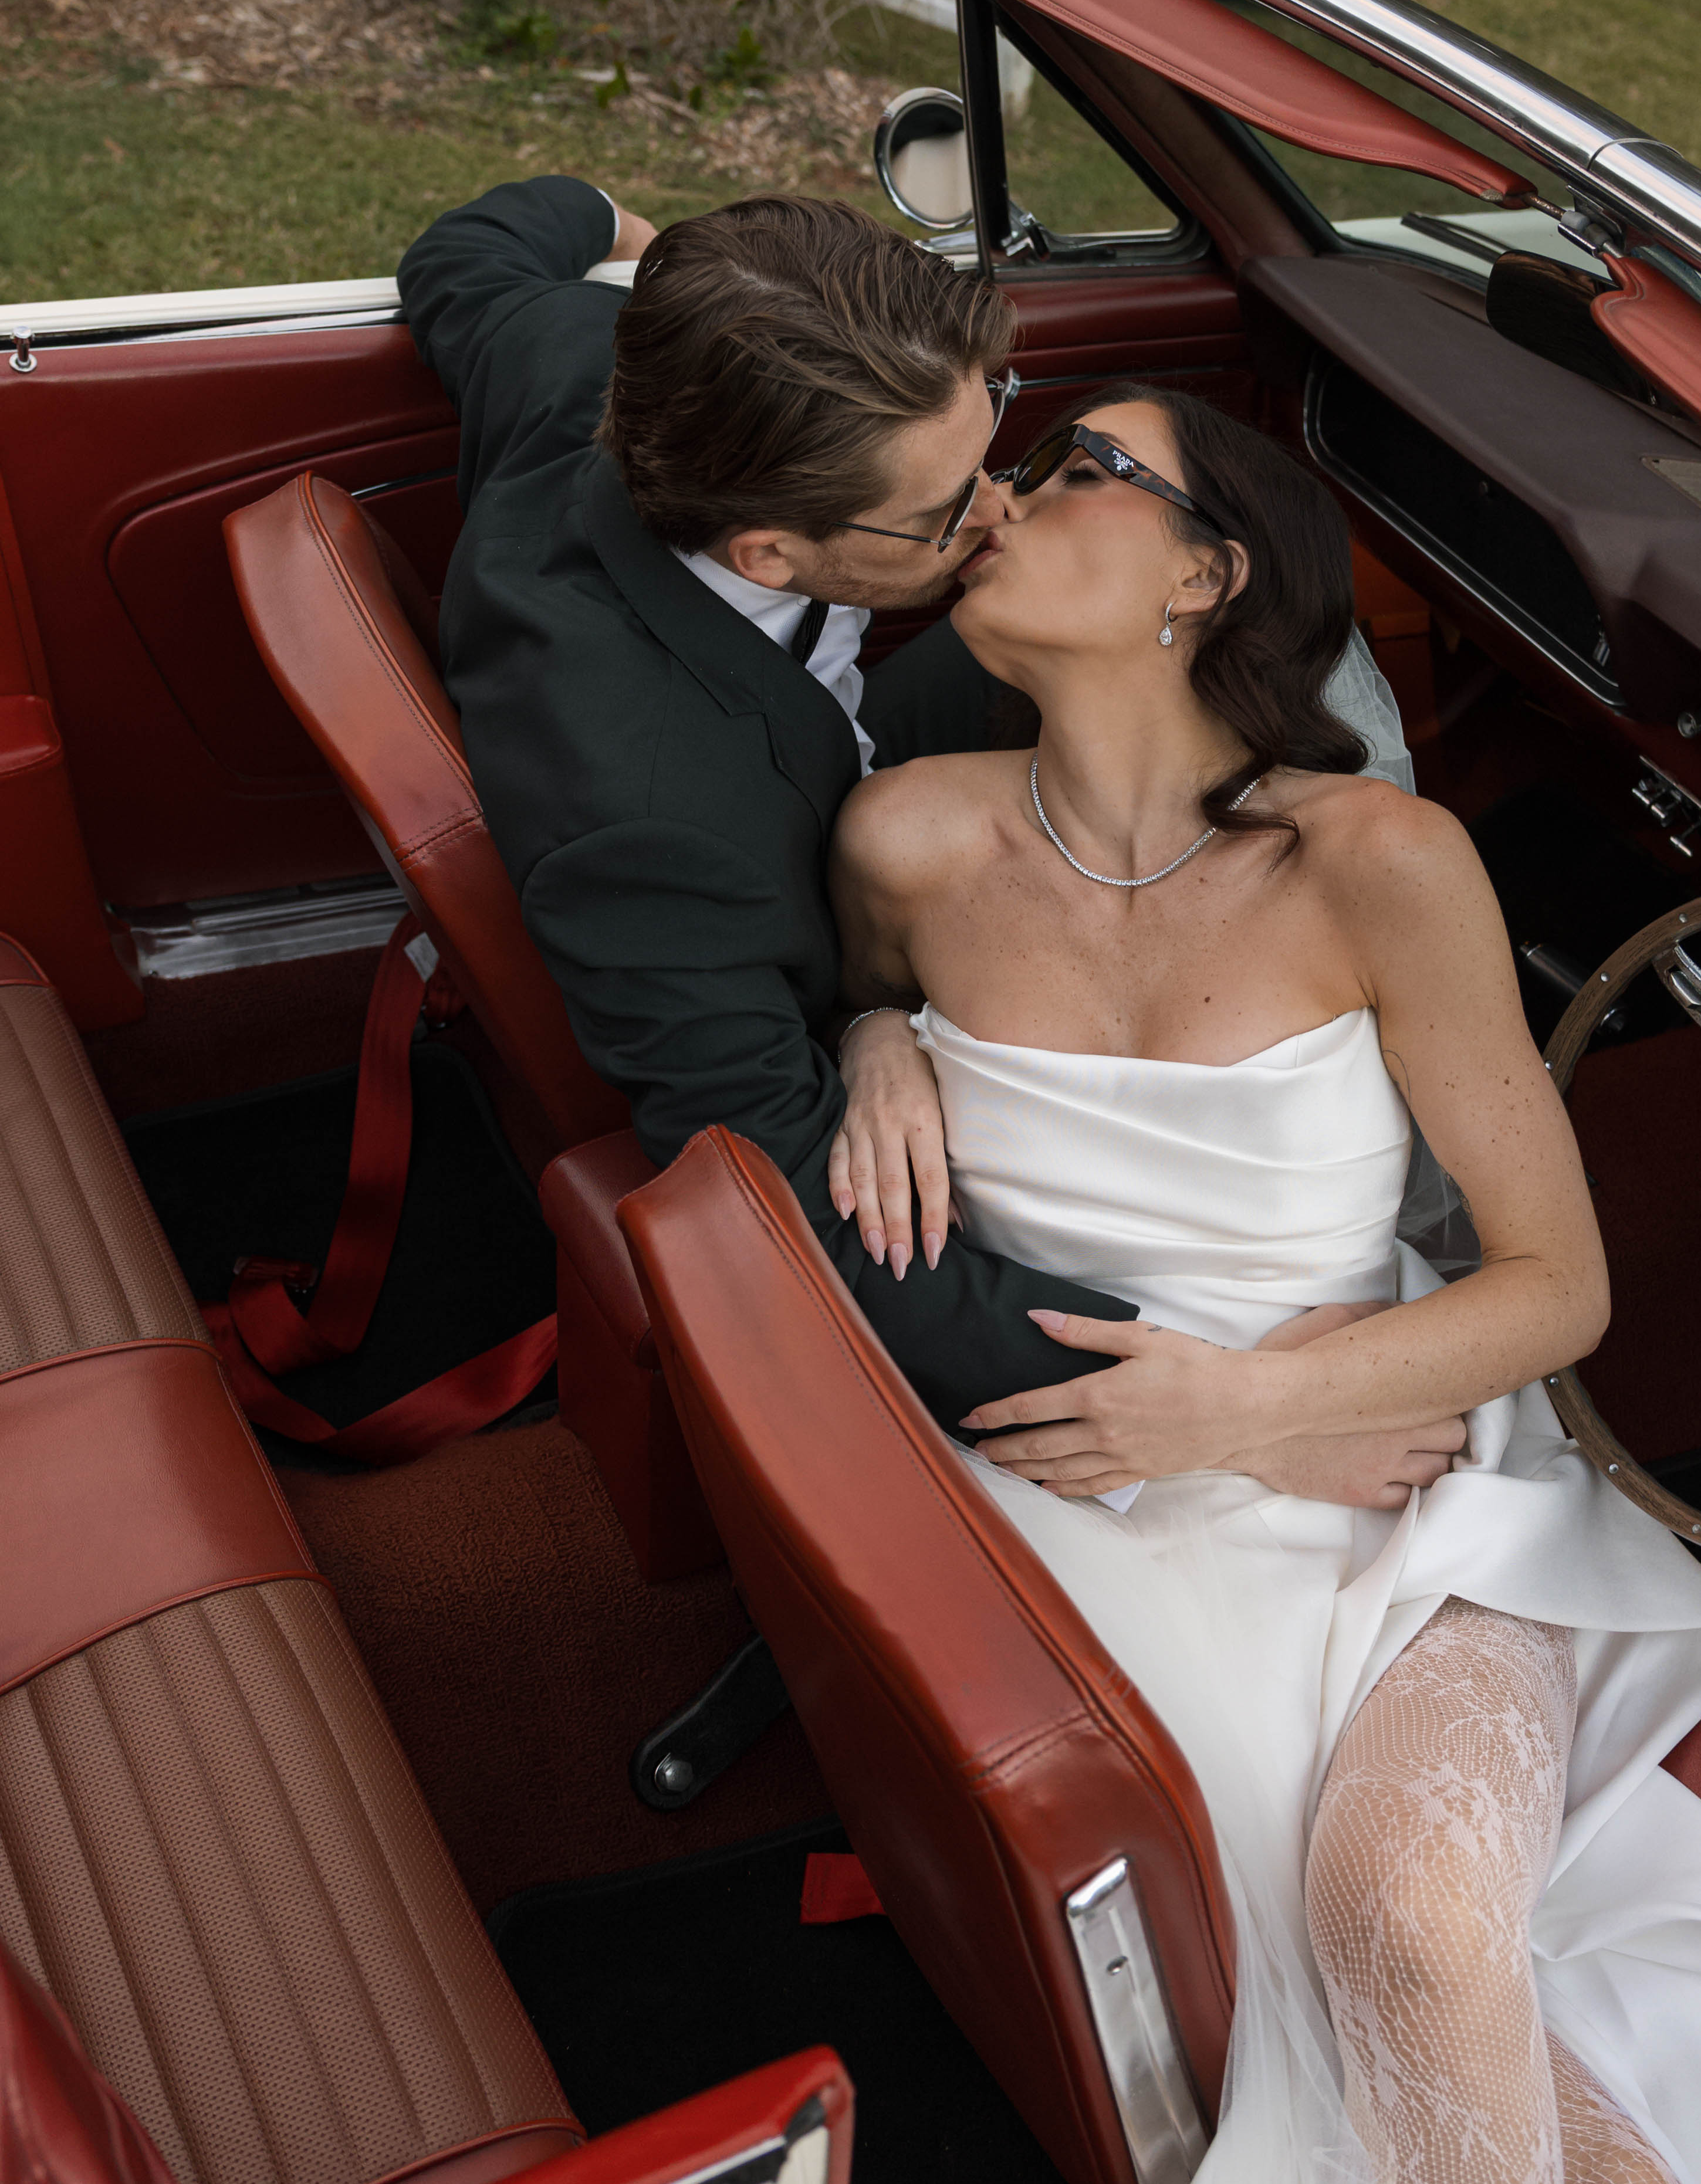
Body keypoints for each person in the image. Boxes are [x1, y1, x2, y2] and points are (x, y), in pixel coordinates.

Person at [829, 385, 1701, 2184]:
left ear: (1204, 579)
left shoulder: (1385, 859)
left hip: (1399, 1475)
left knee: (1407, 1925)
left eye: (1073, 473)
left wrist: (1247, 1403)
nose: (1009, 496)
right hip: (1089, 1520)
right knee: (1465, 2055)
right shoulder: (907, 837)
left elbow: (1550, 1286)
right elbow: (853, 1015)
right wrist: (876, 1035)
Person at [398, 174, 1421, 1462]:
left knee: (1239, 608)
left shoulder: (583, 363)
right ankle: (1409, 1208)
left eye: (989, 441)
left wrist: (640, 242)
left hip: (837, 751)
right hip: (794, 851)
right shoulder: (651, 834)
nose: (997, 508)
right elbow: (794, 1213)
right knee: (1281, 665)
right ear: (768, 551)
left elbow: (465, 245)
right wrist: (1228, 1406)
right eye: (946, 511)